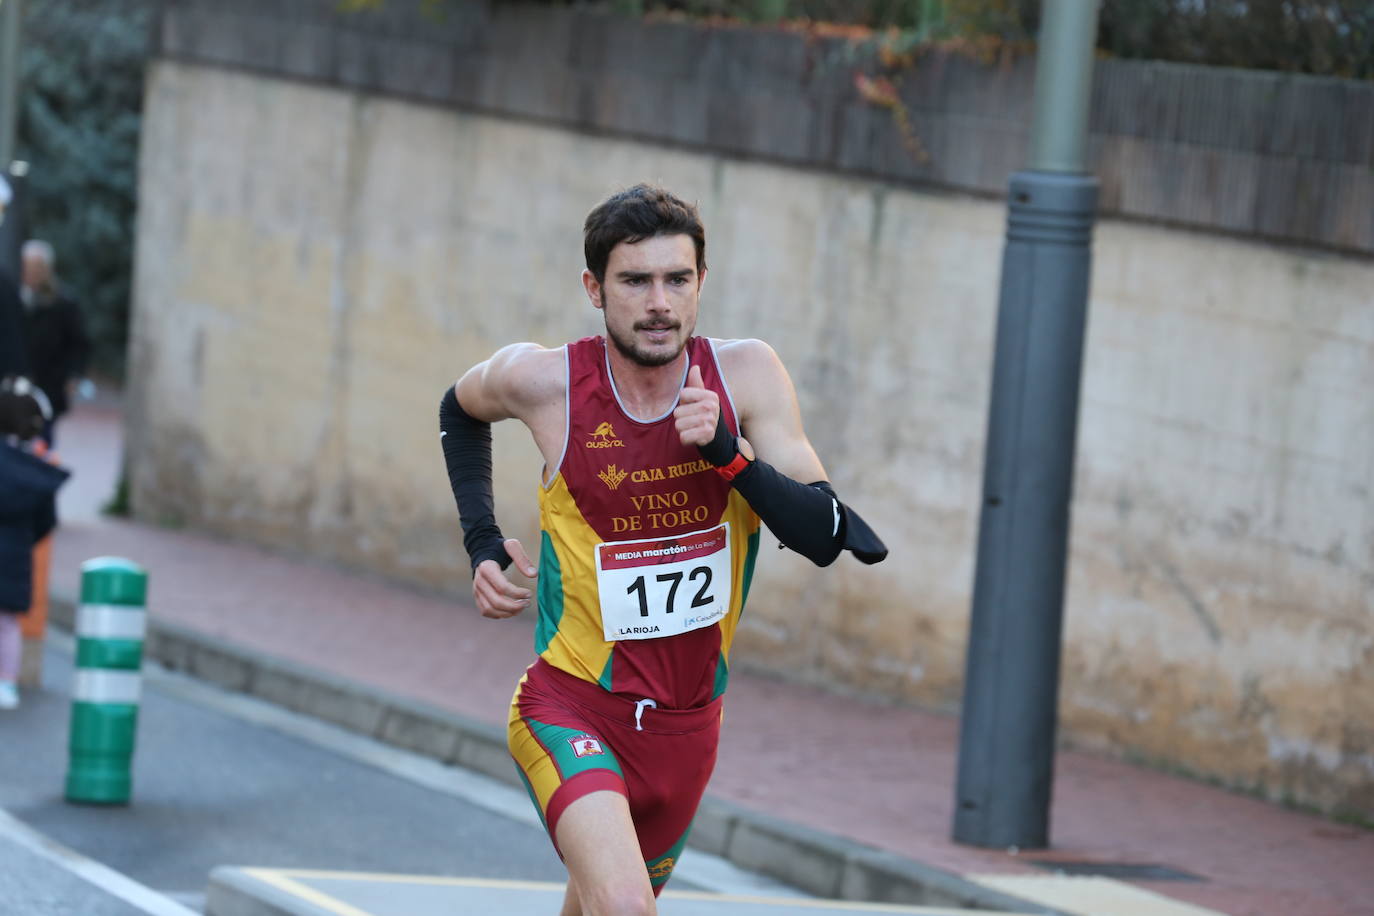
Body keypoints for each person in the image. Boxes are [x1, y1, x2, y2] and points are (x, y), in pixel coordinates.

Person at [439, 184, 886, 915]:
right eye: (635, 281)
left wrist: (728, 455)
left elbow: (826, 533)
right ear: (594, 288)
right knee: (626, 907)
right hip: (571, 706)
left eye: (677, 280)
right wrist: (481, 541)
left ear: (701, 283)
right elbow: (459, 409)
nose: (659, 303)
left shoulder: (745, 378)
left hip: (689, 730)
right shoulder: (546, 382)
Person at [0, 376, 68, 709]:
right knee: (8, 626)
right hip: (14, 557)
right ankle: (7, 683)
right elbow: (46, 520)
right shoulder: (32, 473)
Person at [20, 239, 90, 447]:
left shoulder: (64, 303)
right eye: (28, 268)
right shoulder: (13, 299)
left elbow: (79, 343)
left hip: (48, 386)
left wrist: (74, 375)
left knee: (42, 442)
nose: (32, 274)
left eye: (38, 268)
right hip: (16, 386)